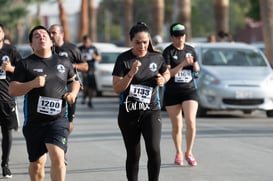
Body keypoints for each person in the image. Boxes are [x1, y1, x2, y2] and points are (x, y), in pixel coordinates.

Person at [8, 25, 80, 181]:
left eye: (44, 35)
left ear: (51, 42)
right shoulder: (25, 64)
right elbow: (13, 90)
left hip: (58, 120)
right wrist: (32, 84)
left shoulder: (64, 61)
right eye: (36, 36)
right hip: (34, 123)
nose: (41, 37)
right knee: (37, 164)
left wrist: (72, 94)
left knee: (58, 158)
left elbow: (74, 82)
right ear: (31, 45)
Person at [112, 22, 170, 181]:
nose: (142, 46)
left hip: (151, 111)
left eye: (145, 42)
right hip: (128, 114)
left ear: (149, 40)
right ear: (131, 41)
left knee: (154, 149)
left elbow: (167, 73)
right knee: (133, 154)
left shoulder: (157, 57)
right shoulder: (123, 59)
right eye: (138, 42)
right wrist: (131, 73)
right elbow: (117, 88)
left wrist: (162, 79)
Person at [162, 23, 200, 166]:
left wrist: (196, 67)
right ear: (172, 37)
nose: (180, 39)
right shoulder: (168, 52)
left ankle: (189, 152)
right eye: (177, 36)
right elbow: (168, 74)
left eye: (182, 36)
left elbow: (196, 68)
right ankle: (178, 152)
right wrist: (183, 64)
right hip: (172, 92)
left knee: (190, 121)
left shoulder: (191, 50)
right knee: (177, 125)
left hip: (189, 90)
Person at [49, 24, 88, 133]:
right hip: (51, 87)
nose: (51, 35)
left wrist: (69, 66)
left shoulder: (72, 48)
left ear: (62, 34)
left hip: (69, 87)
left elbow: (85, 66)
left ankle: (63, 140)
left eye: (54, 32)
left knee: (68, 121)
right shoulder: (46, 49)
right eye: (49, 33)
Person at [0, 23, 21, 178]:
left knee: (7, 133)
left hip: (6, 99)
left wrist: (10, 68)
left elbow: (22, 70)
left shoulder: (10, 51)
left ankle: (5, 164)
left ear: (3, 33)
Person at [78, 35, 101, 108]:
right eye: (85, 42)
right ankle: (84, 95)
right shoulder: (80, 48)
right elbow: (76, 58)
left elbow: (99, 58)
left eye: (88, 42)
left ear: (90, 42)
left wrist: (95, 57)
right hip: (83, 68)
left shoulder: (93, 48)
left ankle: (90, 101)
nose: (86, 43)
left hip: (91, 69)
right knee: (85, 84)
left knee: (91, 86)